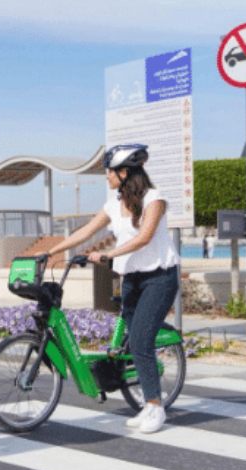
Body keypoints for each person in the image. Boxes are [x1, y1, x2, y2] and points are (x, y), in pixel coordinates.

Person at [48, 143, 179, 434]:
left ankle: (156, 408)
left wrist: (109, 255)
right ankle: (147, 404)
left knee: (142, 342)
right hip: (132, 279)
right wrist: (52, 252)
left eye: (110, 170)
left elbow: (144, 237)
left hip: (159, 279)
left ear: (125, 172)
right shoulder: (113, 205)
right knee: (135, 344)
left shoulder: (154, 199)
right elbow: (86, 231)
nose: (106, 175)